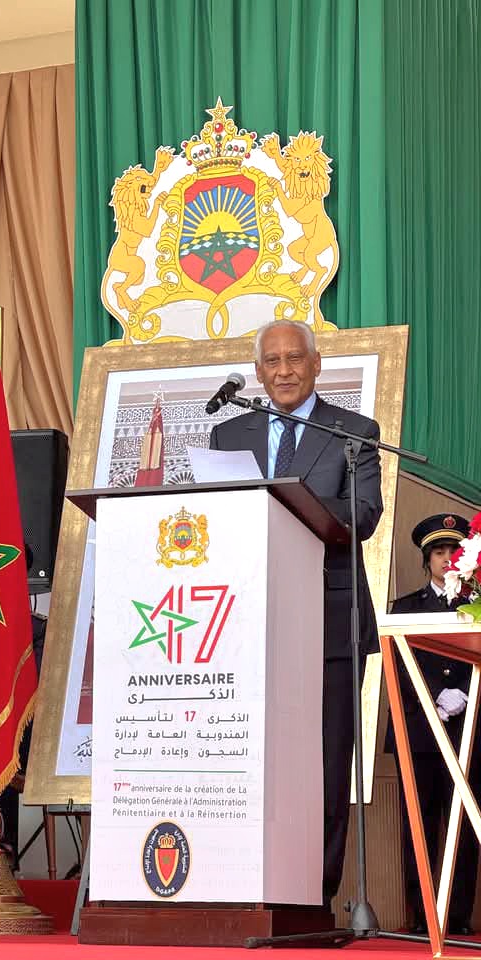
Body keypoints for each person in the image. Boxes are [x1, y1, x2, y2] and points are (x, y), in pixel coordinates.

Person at [209, 319, 383, 906]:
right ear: (258, 372)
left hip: (328, 620)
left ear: (316, 364)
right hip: (244, 623)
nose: (283, 371)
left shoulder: (354, 432)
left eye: (294, 359)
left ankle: (314, 895)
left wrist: (286, 503)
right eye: (272, 362)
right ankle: (246, 885)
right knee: (252, 759)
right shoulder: (229, 434)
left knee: (325, 763)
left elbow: (363, 514)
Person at [388, 513, 479, 936]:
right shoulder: (406, 607)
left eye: (452, 552)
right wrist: (435, 695)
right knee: (419, 826)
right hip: (421, 732)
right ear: (426, 560)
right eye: (438, 552)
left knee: (463, 825)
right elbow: (398, 663)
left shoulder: (476, 603)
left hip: (468, 732)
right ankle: (421, 915)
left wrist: (464, 691)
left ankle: (457, 917)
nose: (445, 559)